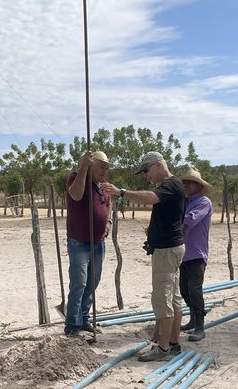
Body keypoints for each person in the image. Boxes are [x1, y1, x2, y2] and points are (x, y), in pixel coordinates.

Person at [105, 152, 185, 361]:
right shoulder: (174, 186)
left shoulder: (169, 186)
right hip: (171, 248)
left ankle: (164, 349)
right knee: (174, 298)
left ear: (158, 165)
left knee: (162, 299)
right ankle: (173, 344)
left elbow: (150, 198)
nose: (146, 176)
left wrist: (120, 192)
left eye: (146, 170)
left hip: (167, 251)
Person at [64, 150, 113, 336]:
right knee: (79, 283)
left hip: (98, 241)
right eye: (102, 166)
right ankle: (71, 326)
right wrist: (83, 166)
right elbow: (75, 195)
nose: (105, 170)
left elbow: (108, 204)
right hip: (79, 241)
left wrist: (108, 221)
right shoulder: (76, 178)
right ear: (91, 165)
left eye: (107, 167)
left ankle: (83, 319)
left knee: (93, 281)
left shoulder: (102, 186)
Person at [178, 167, 213, 342]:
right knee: (184, 289)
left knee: (195, 290)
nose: (185, 185)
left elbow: (190, 220)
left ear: (198, 186)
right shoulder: (185, 201)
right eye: (183, 182)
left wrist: (172, 215)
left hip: (196, 254)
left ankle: (200, 326)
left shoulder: (203, 202)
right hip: (183, 253)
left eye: (188, 182)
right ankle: (193, 320)